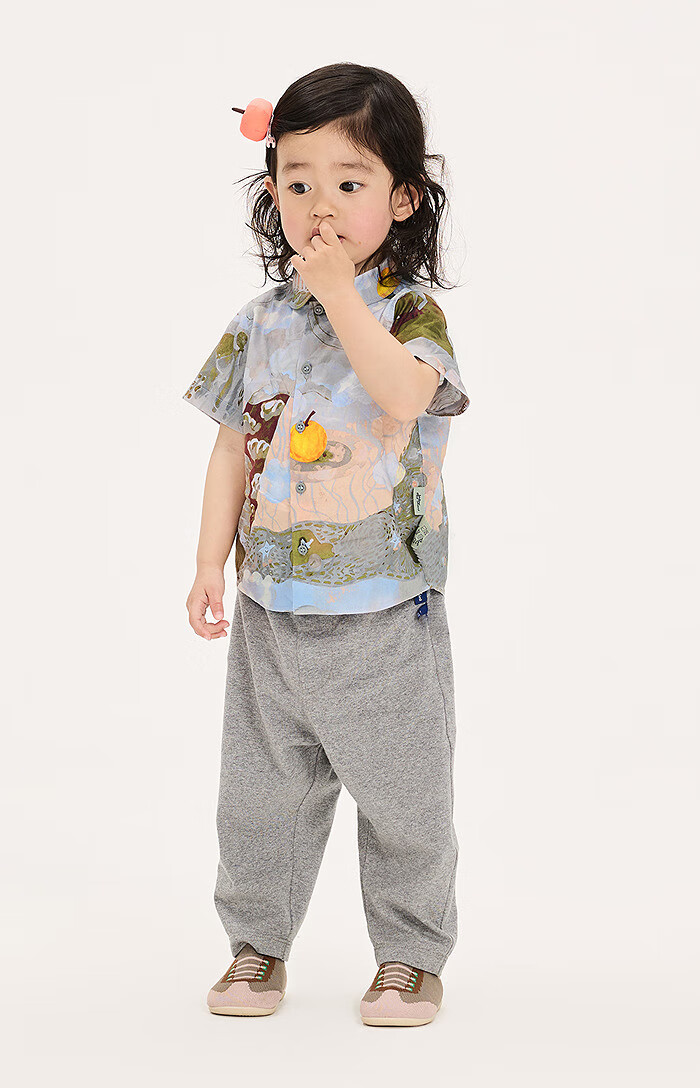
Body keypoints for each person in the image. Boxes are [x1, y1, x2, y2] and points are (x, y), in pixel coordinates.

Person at [183, 63, 471, 1027]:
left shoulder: (409, 314)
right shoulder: (261, 320)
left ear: (403, 197)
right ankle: (256, 945)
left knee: (405, 800)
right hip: (271, 613)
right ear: (272, 192)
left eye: (350, 183)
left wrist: (343, 296)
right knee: (259, 799)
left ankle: (409, 957)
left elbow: (402, 395)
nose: (322, 205)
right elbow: (234, 445)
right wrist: (207, 562)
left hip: (382, 614)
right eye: (298, 181)